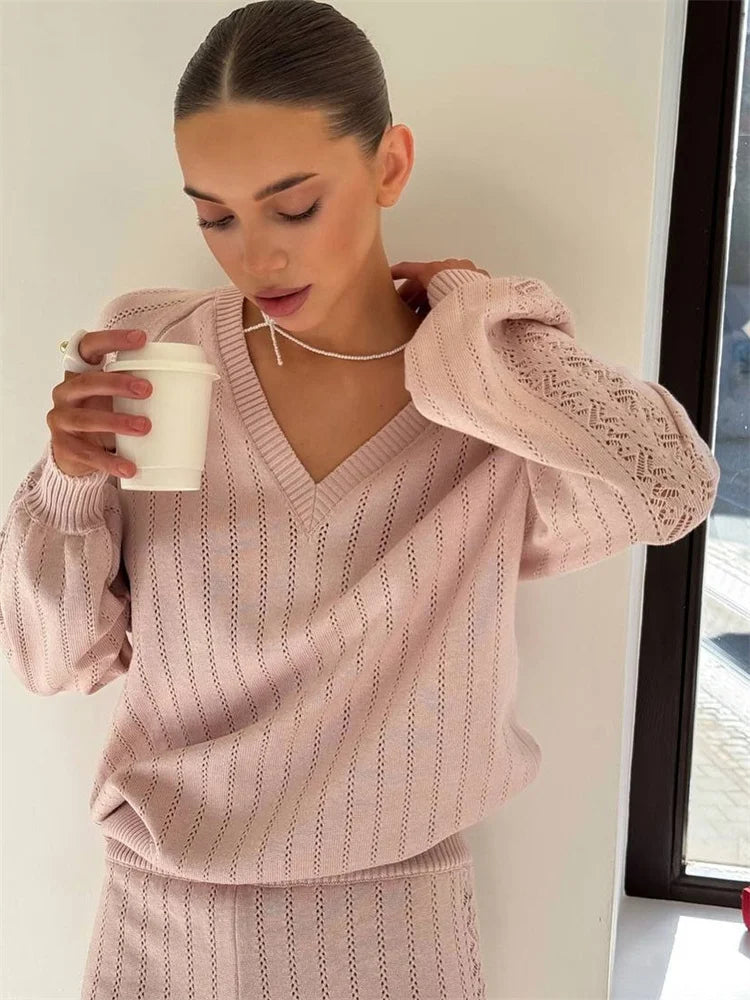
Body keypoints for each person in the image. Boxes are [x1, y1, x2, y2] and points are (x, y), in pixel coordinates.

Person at [0, 2, 720, 998]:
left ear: (388, 167)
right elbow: (52, 659)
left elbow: (670, 491)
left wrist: (475, 329)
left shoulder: (483, 395)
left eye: (292, 206)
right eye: (215, 215)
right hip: (162, 926)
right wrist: (67, 481)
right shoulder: (153, 348)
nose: (255, 257)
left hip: (396, 935)